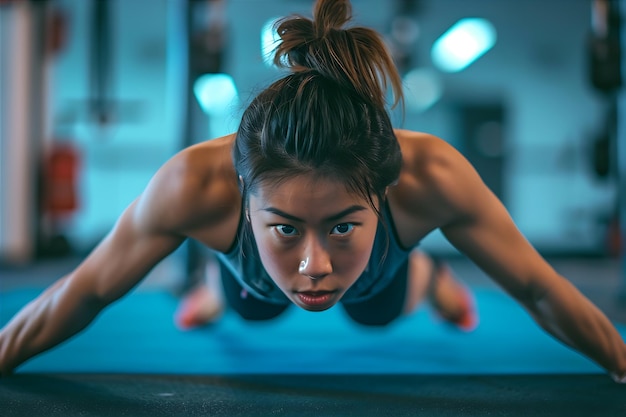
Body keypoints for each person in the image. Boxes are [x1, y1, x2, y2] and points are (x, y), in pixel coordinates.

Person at [0, 0, 625, 382]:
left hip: (383, 282)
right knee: (252, 303)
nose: (315, 266)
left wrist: (621, 360)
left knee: (377, 308)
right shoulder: (194, 183)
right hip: (248, 283)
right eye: (286, 229)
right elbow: (83, 291)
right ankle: (218, 288)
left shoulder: (431, 176)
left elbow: (537, 285)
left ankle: (431, 277)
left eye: (344, 227)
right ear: (244, 194)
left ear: (385, 190)